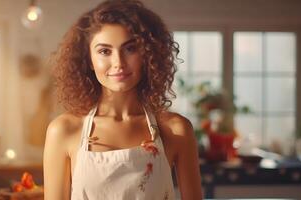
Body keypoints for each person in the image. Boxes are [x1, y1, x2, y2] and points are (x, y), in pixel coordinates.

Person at [43, 0, 203, 199]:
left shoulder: (176, 130)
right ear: (89, 61)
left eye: (130, 49)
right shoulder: (63, 130)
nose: (118, 63)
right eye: (104, 51)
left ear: (147, 55)